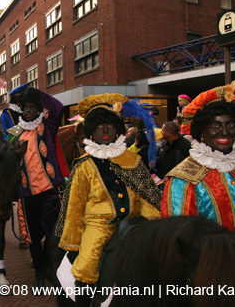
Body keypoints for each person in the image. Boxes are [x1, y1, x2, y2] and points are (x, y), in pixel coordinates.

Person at [161, 79, 235, 290]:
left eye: (230, 125)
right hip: (207, 277)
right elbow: (178, 237)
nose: (224, 132)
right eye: (215, 125)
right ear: (202, 130)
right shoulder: (183, 178)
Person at [57, 93, 161, 306]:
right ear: (91, 131)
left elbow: (148, 197)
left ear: (117, 129)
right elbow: (74, 207)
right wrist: (71, 243)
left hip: (133, 224)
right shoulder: (84, 165)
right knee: (86, 265)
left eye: (110, 126)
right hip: (97, 225)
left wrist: (153, 227)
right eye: (99, 126)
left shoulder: (132, 160)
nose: (105, 130)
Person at [6, 87, 65, 289]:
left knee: (53, 233)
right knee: (32, 236)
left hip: (49, 191)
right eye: (26, 107)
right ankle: (39, 272)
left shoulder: (47, 125)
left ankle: (52, 269)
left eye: (32, 106)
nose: (29, 110)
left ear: (39, 108)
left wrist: (37, 94)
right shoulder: (14, 133)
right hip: (27, 193)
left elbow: (58, 107)